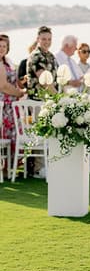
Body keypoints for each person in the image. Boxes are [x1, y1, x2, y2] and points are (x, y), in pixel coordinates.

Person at [0, 34, 25, 173]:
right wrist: (19, 93)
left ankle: (10, 165)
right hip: (4, 104)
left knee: (13, 133)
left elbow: (14, 80)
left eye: (4, 46)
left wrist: (22, 84)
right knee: (5, 133)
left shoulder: (7, 62)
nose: (2, 49)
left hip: (12, 105)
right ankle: (4, 167)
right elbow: (3, 86)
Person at [26, 26, 58, 98]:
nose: (47, 42)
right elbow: (44, 82)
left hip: (50, 97)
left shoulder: (51, 56)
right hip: (38, 99)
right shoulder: (36, 56)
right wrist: (58, 97)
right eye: (44, 39)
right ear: (38, 39)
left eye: (49, 39)